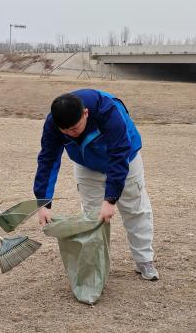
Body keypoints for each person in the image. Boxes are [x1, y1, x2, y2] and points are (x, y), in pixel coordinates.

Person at [33, 89, 158, 280]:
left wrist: (111, 198)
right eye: (64, 131)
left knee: (135, 210)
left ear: (86, 113)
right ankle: (95, 267)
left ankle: (144, 261)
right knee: (92, 216)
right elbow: (48, 159)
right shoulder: (54, 123)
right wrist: (43, 202)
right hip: (87, 165)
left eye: (74, 129)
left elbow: (119, 154)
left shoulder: (109, 111)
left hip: (125, 159)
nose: (70, 135)